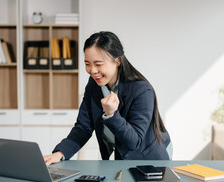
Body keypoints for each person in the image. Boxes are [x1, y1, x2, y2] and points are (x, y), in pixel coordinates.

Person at [44, 31, 171, 165]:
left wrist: (112, 114)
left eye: (98, 64)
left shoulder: (142, 90)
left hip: (149, 163)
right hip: (118, 161)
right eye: (87, 64)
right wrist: (60, 153)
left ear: (117, 61)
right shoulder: (94, 85)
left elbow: (135, 142)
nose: (92, 71)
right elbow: (83, 127)